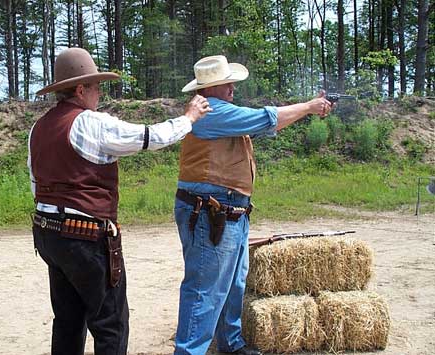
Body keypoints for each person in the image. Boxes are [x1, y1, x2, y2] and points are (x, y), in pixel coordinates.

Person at [28, 47, 211, 355]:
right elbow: (150, 137)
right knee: (110, 323)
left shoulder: (38, 128)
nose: (99, 93)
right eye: (96, 86)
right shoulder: (90, 123)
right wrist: (189, 118)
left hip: (48, 233)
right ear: (80, 89)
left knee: (68, 320)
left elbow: (37, 184)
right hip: (83, 236)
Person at [173, 55, 333, 355]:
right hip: (212, 210)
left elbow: (266, 124)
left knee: (233, 285)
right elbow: (264, 119)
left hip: (226, 210)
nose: (232, 87)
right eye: (226, 83)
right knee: (204, 290)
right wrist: (310, 107)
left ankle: (231, 345)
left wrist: (306, 109)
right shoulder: (211, 112)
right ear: (210, 89)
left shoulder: (219, 110)